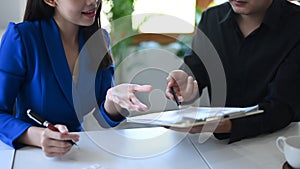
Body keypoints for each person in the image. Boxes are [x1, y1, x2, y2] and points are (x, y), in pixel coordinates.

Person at [0, 0, 152, 157]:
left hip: (77, 151)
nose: (93, 1)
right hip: (31, 153)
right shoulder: (22, 37)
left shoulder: (99, 40)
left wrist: (113, 98)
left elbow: (104, 118)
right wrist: (36, 136)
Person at [166, 0, 300, 143]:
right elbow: (197, 68)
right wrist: (184, 86)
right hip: (221, 144)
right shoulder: (211, 18)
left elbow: (282, 106)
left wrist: (229, 125)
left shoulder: (295, 25)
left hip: (282, 141)